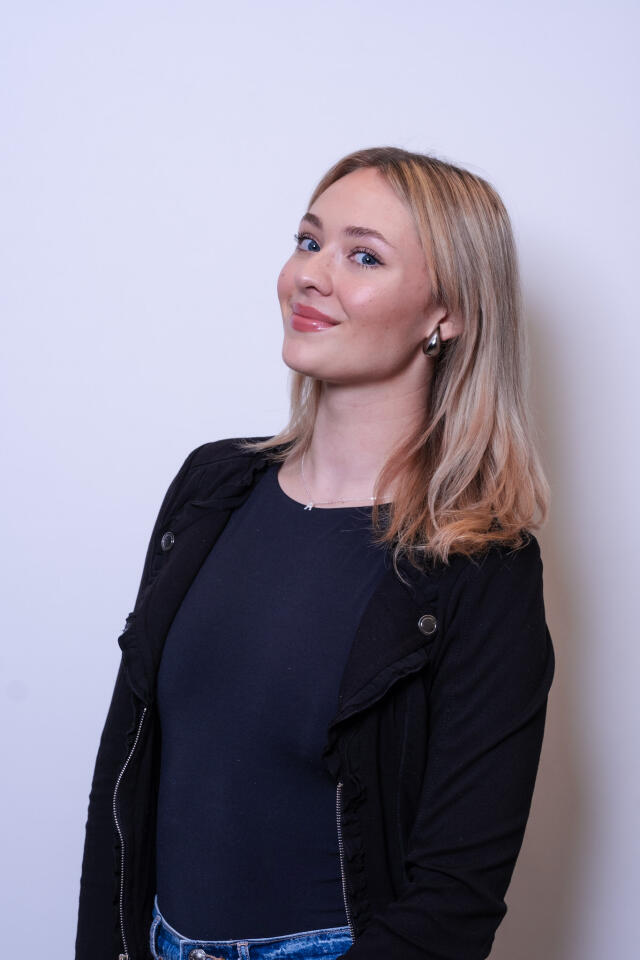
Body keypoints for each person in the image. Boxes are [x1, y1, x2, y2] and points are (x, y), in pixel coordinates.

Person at [75, 146, 556, 960]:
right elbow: (121, 781)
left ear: (449, 315)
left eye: (362, 255)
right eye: (308, 241)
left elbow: (455, 900)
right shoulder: (211, 486)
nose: (311, 274)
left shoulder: (483, 565)